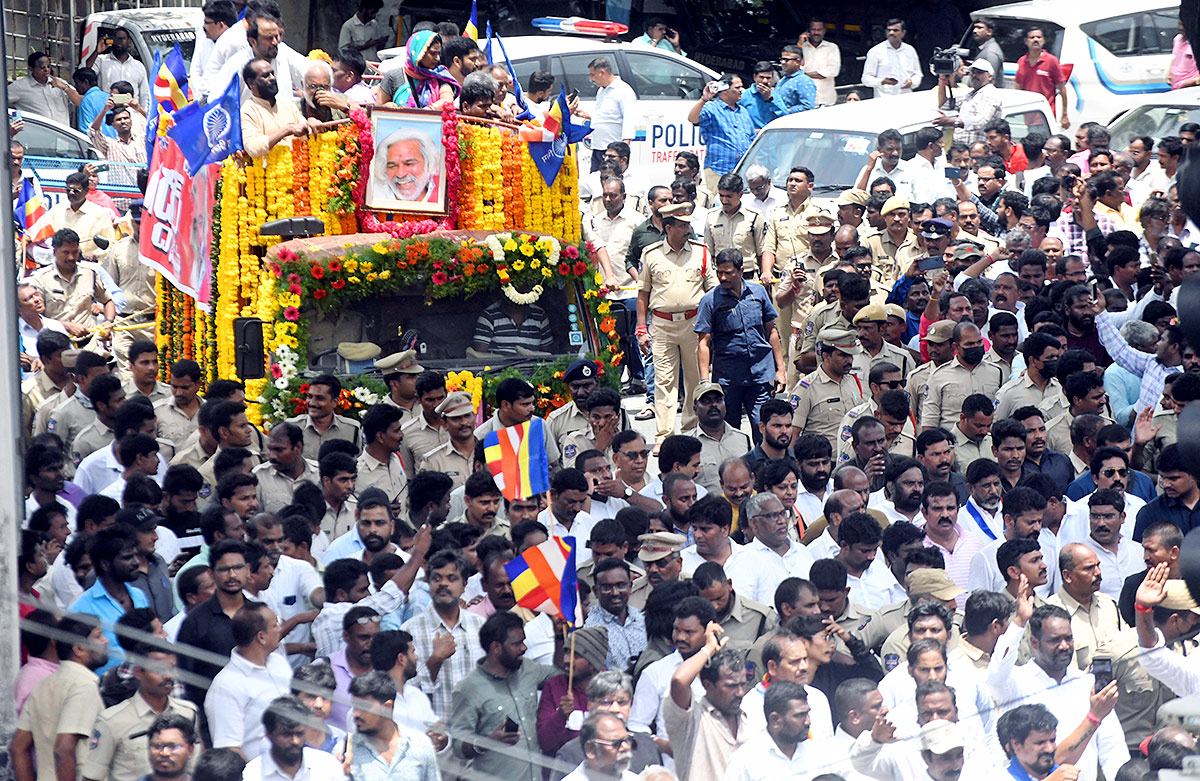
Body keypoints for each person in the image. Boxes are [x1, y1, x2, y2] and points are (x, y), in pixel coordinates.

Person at [636, 203, 716, 444]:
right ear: (668, 228)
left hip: (694, 323)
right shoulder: (651, 254)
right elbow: (642, 295)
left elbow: (711, 289)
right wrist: (641, 329)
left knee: (694, 379)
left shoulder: (701, 252)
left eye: (688, 224)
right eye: (682, 225)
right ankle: (665, 435)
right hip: (662, 324)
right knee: (664, 381)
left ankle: (691, 430)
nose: (688, 229)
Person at [450, 611, 563, 781]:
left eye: (523, 642)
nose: (524, 648)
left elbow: (561, 676)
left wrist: (560, 636)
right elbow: (459, 745)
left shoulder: (529, 669)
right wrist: (488, 742)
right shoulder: (469, 688)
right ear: (496, 647)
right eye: (517, 644)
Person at [80, 637, 197, 781]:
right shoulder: (112, 721)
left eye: (172, 668)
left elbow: (195, 769)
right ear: (139, 673)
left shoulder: (188, 713)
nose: (168, 675)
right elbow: (92, 776)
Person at [11, 616, 109, 781]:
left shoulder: (43, 685)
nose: (106, 641)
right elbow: (63, 749)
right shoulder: (83, 686)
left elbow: (17, 748)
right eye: (98, 636)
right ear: (78, 649)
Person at [696, 249, 783, 432]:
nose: (722, 277)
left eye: (728, 272)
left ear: (741, 270)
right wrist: (705, 380)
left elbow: (771, 332)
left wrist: (780, 370)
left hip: (760, 374)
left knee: (763, 428)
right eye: (719, 272)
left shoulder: (758, 292)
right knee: (730, 431)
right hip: (728, 378)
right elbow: (703, 342)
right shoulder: (710, 300)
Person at [205, 602, 295, 759]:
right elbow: (229, 749)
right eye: (275, 625)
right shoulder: (226, 685)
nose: (280, 629)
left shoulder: (278, 662)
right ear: (261, 637)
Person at [664, 622, 748, 781]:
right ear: (707, 685)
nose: (740, 692)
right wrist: (708, 648)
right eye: (731, 686)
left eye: (742, 684)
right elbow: (679, 681)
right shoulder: (691, 720)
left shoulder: (750, 719)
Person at [348, 671, 441, 778]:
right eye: (355, 707)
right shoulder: (347, 750)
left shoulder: (420, 747)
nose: (356, 714)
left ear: (387, 707)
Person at [241, 695, 345, 778]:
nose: (295, 741)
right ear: (269, 734)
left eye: (299, 734)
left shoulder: (327, 766)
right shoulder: (253, 774)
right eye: (287, 735)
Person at [687, 75, 755, 195]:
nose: (741, 91)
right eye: (737, 87)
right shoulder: (711, 108)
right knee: (718, 205)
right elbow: (693, 118)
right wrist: (704, 99)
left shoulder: (743, 111)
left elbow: (751, 139)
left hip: (742, 170)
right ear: (725, 90)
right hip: (719, 169)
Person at [240, 58, 307, 159]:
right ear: (251, 83)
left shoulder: (287, 104)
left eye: (273, 73)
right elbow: (253, 148)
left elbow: (305, 129)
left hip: (299, 168)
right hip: (270, 171)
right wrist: (287, 129)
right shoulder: (248, 110)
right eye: (266, 76)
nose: (272, 78)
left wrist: (311, 123)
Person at [932, 61, 1001, 148]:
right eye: (973, 72)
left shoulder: (989, 93)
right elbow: (945, 104)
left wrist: (953, 121)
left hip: (978, 151)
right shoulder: (971, 94)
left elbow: (981, 121)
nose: (974, 75)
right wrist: (942, 78)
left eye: (979, 73)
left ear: (990, 76)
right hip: (963, 150)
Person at [587, 57, 636, 172]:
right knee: (594, 182)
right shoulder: (601, 90)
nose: (591, 78)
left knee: (611, 181)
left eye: (592, 74)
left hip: (613, 151)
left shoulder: (623, 91)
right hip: (598, 146)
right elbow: (606, 116)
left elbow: (629, 119)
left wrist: (624, 148)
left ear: (602, 73)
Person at [1015, 27, 1070, 129]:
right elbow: (1018, 89)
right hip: (1026, 115)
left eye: (1038, 37)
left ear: (1043, 40)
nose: (1035, 40)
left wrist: (1064, 114)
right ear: (1026, 41)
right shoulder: (1022, 62)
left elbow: (1062, 89)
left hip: (1045, 115)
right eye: (1032, 37)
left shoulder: (1051, 61)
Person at [373, 126, 443, 203]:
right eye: (392, 166)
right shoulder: (373, 197)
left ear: (429, 163)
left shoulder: (444, 197)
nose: (400, 174)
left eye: (409, 164)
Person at [9, 52, 76, 128]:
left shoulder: (59, 83)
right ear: (31, 68)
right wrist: (14, 118)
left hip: (61, 135)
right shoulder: (19, 86)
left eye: (48, 66)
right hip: (38, 136)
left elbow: (78, 101)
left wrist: (65, 88)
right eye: (42, 67)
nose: (46, 70)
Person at [862, 19, 921, 97]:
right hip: (884, 99)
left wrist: (912, 82)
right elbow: (866, 79)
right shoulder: (875, 51)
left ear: (903, 33)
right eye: (889, 30)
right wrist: (882, 81)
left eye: (895, 30)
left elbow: (918, 74)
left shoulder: (910, 50)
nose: (891, 33)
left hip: (906, 98)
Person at [800, 18, 841, 107]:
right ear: (808, 31)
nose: (816, 33)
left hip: (826, 99)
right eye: (813, 29)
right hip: (805, 99)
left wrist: (805, 75)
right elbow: (795, 70)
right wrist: (799, 46)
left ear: (824, 31)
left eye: (819, 30)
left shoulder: (832, 47)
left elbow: (833, 71)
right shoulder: (802, 47)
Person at [971, 18, 1006, 89]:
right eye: (974, 27)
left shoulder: (990, 52)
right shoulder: (984, 49)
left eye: (979, 28)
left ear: (989, 32)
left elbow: (990, 80)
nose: (975, 31)